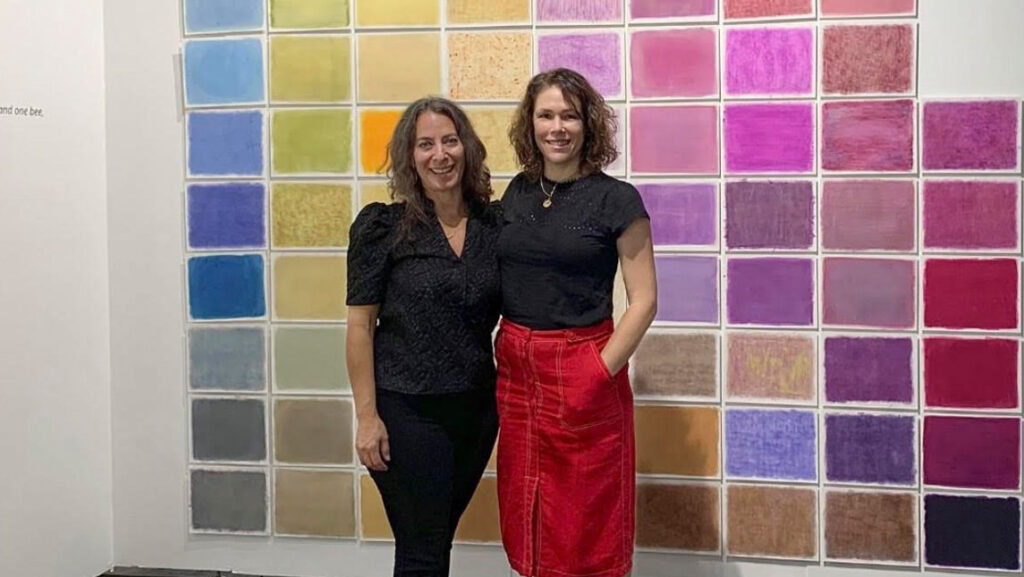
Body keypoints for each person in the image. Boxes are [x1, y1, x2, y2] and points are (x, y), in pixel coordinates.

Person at [496, 68, 657, 577]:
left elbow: (644, 300)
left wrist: (598, 370)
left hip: (583, 364)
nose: (557, 127)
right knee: (528, 514)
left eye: (569, 115)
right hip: (517, 375)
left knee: (586, 524)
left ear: (589, 123)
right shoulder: (517, 193)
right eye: (546, 115)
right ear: (531, 124)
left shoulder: (617, 200)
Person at [346, 97, 502, 577]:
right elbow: (359, 327)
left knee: (433, 543)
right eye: (425, 144)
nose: (440, 154)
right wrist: (367, 418)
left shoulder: (494, 226)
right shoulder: (384, 228)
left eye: (450, 141)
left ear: (467, 148)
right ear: (409, 157)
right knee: (422, 552)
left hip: (476, 414)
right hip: (407, 411)